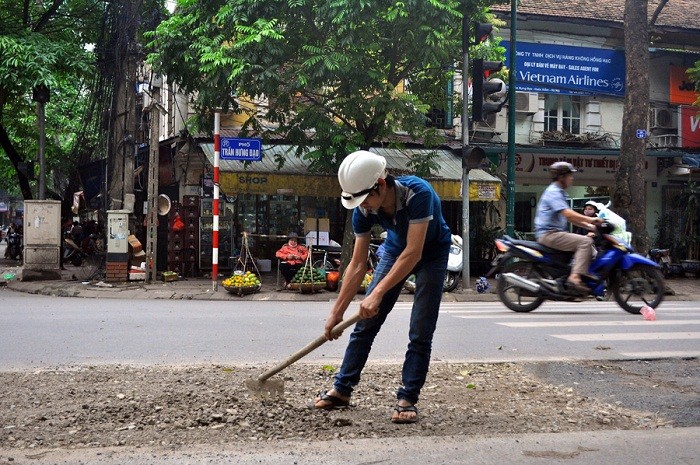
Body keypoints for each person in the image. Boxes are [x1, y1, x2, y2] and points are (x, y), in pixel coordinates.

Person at [310, 150, 451, 424]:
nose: (365, 207)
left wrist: (376, 293)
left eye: (367, 200)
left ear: (382, 184)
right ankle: (342, 389)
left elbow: (414, 253)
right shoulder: (362, 209)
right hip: (396, 249)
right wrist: (336, 313)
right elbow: (356, 264)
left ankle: (408, 397)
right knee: (365, 324)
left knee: (421, 329)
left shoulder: (417, 194)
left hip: (431, 253)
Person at [534, 162, 601, 295]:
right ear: (561, 177)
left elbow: (571, 218)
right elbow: (568, 214)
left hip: (554, 233)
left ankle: (575, 276)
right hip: (549, 234)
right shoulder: (554, 192)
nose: (572, 179)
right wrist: (591, 219)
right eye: (570, 176)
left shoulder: (560, 192)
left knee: (589, 248)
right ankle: (574, 277)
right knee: (585, 242)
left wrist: (592, 227)